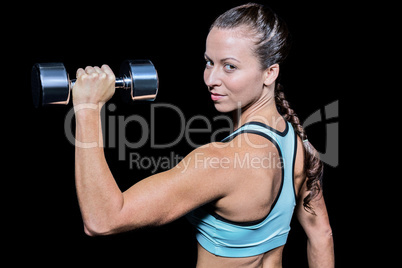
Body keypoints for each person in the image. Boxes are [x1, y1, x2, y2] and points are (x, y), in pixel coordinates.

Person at [73, 3, 334, 267]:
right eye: (209, 62)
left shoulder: (220, 161)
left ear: (270, 73)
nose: (211, 78)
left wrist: (87, 107)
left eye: (229, 66)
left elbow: (102, 220)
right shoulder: (299, 143)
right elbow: (321, 235)